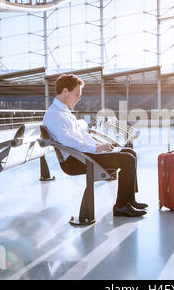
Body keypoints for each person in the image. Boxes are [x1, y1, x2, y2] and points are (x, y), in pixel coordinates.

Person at [43, 74, 148, 217]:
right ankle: (121, 206)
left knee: (130, 152)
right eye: (77, 94)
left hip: (83, 154)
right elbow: (66, 140)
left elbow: (81, 135)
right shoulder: (53, 114)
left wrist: (99, 144)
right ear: (65, 91)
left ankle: (129, 199)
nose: (79, 98)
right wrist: (96, 148)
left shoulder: (64, 111)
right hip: (76, 160)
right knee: (127, 159)